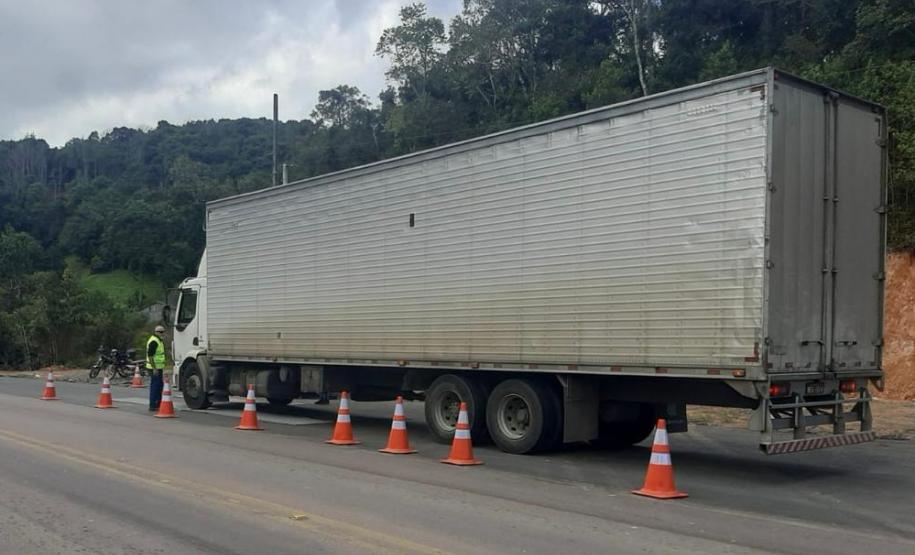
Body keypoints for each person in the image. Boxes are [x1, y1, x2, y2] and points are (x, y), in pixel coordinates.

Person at [146, 324, 168, 412]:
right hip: (154, 367)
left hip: (158, 367)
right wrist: (154, 368)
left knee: (159, 385)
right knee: (155, 386)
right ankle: (153, 405)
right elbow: (150, 356)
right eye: (161, 332)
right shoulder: (154, 341)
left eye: (163, 332)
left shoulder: (159, 340)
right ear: (156, 332)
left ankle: (158, 404)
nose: (163, 333)